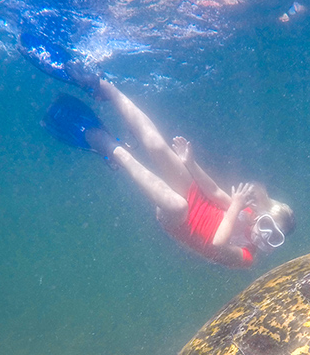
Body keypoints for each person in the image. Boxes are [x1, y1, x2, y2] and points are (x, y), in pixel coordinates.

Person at [42, 80, 295, 268]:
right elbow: (215, 192)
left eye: (273, 238)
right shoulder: (247, 214)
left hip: (180, 222)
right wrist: (191, 163)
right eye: (267, 224)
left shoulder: (247, 257)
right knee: (157, 145)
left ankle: (110, 148)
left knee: (176, 204)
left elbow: (217, 243)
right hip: (196, 196)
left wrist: (235, 206)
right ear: (261, 214)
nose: (264, 234)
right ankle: (106, 88)